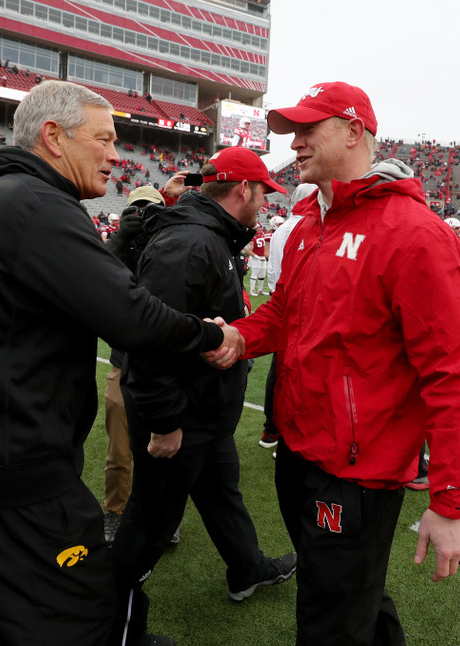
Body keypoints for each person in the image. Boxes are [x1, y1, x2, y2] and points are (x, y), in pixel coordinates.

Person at [0, 81, 242, 646]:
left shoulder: (3, 199)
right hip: (14, 469)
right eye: (105, 139)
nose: (117, 155)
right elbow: (129, 312)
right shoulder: (35, 205)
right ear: (53, 137)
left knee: (23, 621)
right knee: (82, 617)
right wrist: (206, 332)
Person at [209, 81, 460, 645]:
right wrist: (239, 338)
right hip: (300, 448)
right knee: (348, 590)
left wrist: (451, 503)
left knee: (329, 619)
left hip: (358, 472)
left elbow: (452, 373)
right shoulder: (314, 221)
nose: (296, 144)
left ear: (355, 131)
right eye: (293, 132)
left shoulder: (413, 234)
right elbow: (287, 311)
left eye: (309, 130)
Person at [113, 146, 295, 646]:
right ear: (243, 190)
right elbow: (148, 340)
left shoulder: (206, 237)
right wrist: (167, 421)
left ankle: (247, 568)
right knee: (150, 521)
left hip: (205, 411)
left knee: (221, 493)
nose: (263, 203)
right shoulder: (193, 244)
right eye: (261, 193)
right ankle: (108, 622)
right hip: (183, 413)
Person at [100, 185, 165, 545]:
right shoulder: (119, 247)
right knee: (119, 451)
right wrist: (122, 238)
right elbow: (94, 276)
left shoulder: (171, 243)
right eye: (136, 211)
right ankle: (115, 511)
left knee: (164, 447)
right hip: (124, 363)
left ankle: (161, 513)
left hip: (162, 364)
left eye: (150, 211)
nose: (144, 217)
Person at [259, 183, 318, 450]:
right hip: (298, 306)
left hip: (279, 299)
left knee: (279, 367)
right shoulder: (304, 227)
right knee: (297, 372)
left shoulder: (284, 227)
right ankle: (288, 435)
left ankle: (271, 429)